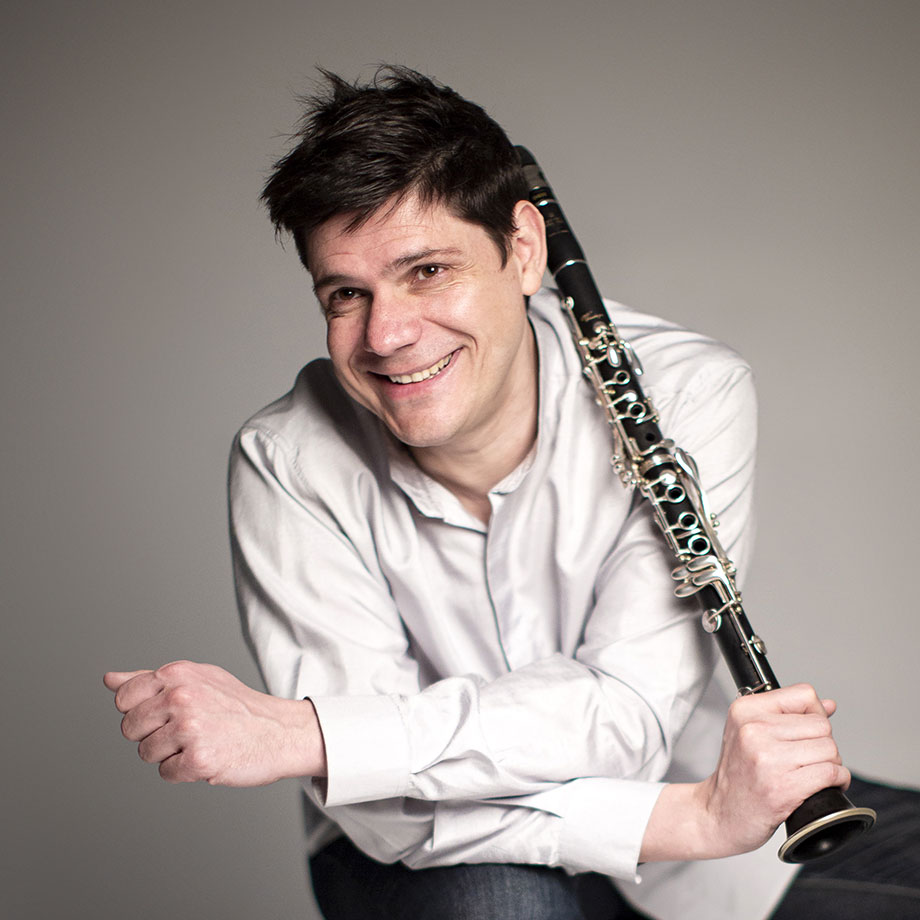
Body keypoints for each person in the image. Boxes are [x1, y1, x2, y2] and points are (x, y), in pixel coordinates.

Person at [105, 67, 919, 920]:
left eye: (427, 270)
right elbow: (384, 810)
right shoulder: (288, 463)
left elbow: (629, 716)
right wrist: (689, 821)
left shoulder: (682, 394)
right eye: (347, 294)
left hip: (700, 817)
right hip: (444, 855)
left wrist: (309, 735)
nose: (387, 334)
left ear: (524, 249)